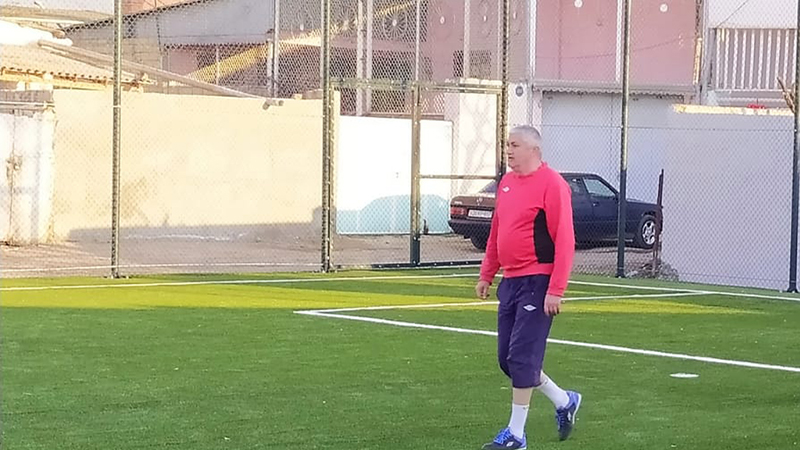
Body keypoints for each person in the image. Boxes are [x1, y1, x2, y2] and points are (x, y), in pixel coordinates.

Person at [476, 125, 582, 449]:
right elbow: (497, 232)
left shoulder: (553, 184)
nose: (508, 150)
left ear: (534, 150)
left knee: (522, 357)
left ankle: (516, 435)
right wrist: (487, 273)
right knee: (508, 361)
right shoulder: (506, 184)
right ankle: (564, 400)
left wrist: (556, 289)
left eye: (515, 145)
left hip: (539, 281)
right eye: (507, 144)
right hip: (511, 282)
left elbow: (565, 239)